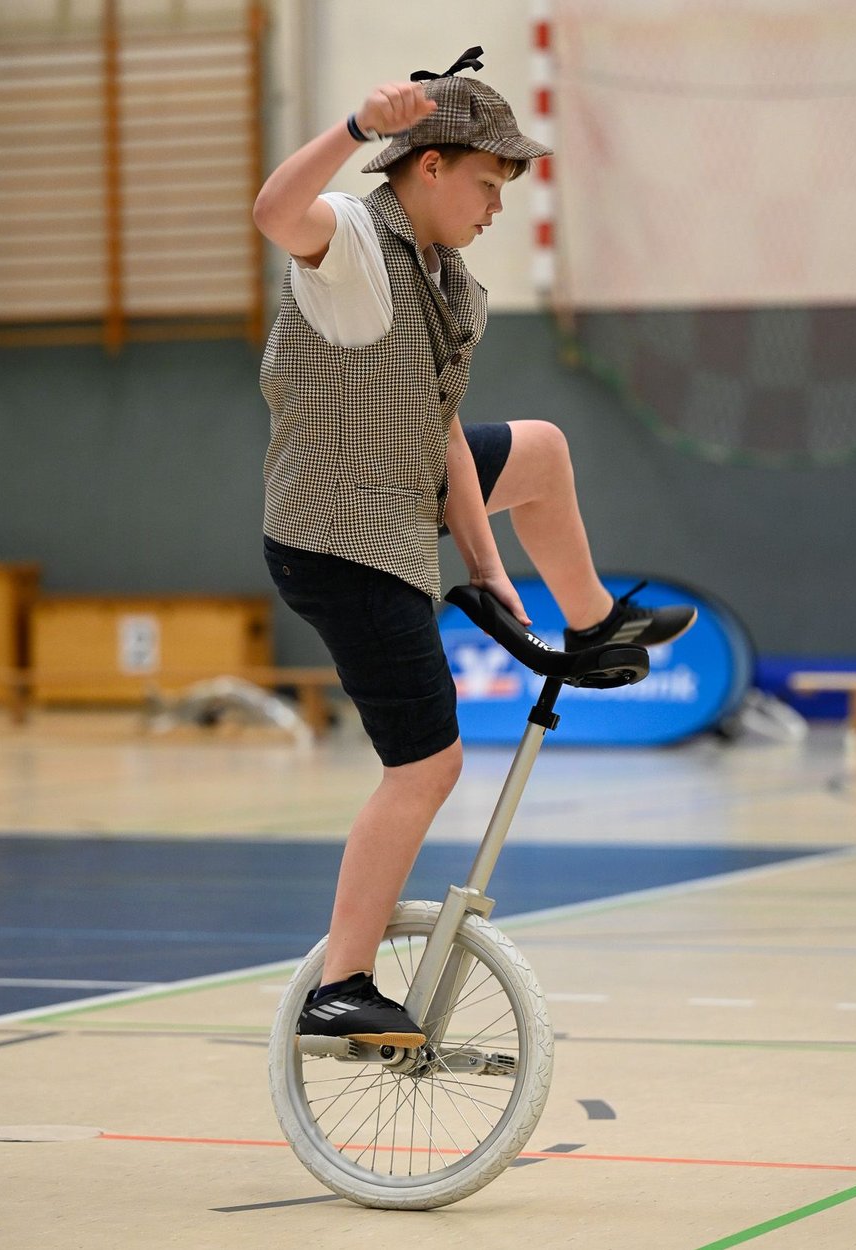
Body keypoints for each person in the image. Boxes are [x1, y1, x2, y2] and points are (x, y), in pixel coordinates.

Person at [253, 49, 696, 1048]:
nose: (496, 206)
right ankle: (342, 983)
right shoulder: (354, 246)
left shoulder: (445, 279)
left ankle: (589, 625)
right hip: (338, 536)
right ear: (430, 166)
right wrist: (358, 128)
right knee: (426, 766)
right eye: (489, 184)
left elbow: (442, 426)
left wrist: (490, 568)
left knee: (535, 451)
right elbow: (275, 210)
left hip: (400, 498)